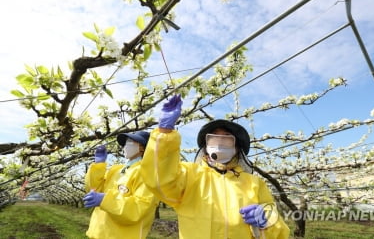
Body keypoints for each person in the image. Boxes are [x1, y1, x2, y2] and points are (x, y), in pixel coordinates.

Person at [140, 94, 290, 239]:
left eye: (226, 138)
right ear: (205, 145)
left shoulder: (255, 184)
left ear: (237, 147)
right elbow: (159, 180)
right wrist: (164, 134)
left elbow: (280, 231)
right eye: (214, 137)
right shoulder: (189, 175)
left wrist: (268, 222)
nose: (219, 142)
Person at [83, 131, 159, 239]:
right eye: (125, 143)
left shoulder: (147, 173)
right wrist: (98, 166)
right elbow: (94, 189)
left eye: (130, 142)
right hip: (99, 233)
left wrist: (105, 200)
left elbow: (138, 209)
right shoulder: (117, 170)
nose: (125, 146)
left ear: (142, 147)